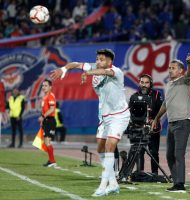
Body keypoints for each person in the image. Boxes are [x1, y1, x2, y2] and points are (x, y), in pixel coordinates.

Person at [50, 48, 130, 197]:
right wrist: (64, 69)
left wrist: (88, 73)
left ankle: (103, 185)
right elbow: (75, 64)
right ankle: (113, 183)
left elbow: (105, 73)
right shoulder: (93, 67)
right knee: (100, 148)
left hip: (119, 115)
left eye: (102, 59)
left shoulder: (116, 71)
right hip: (105, 116)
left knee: (110, 145)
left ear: (109, 61)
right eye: (97, 59)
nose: (98, 61)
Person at [152, 53, 190, 193]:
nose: (170, 70)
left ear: (181, 70)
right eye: (169, 68)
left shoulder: (185, 80)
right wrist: (157, 118)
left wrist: (189, 64)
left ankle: (180, 184)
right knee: (169, 155)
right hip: (171, 124)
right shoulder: (169, 84)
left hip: (182, 122)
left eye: (173, 68)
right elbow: (165, 104)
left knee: (178, 154)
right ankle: (176, 182)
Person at [129, 74, 163, 175]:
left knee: (154, 152)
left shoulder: (157, 94)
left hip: (153, 129)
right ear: (139, 83)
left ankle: (155, 173)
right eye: (142, 82)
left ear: (151, 84)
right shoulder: (134, 96)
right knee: (139, 152)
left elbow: (162, 109)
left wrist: (155, 120)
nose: (144, 85)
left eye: (146, 83)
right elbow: (130, 112)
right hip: (138, 128)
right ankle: (140, 173)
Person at [38, 79, 57, 167]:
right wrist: (42, 119)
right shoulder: (44, 97)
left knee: (47, 141)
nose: (44, 87)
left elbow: (52, 109)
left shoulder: (50, 96)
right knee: (46, 141)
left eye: (46, 85)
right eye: (43, 85)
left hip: (50, 120)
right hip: (46, 120)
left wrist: (43, 116)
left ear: (50, 87)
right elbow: (44, 110)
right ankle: (51, 161)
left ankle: (52, 161)